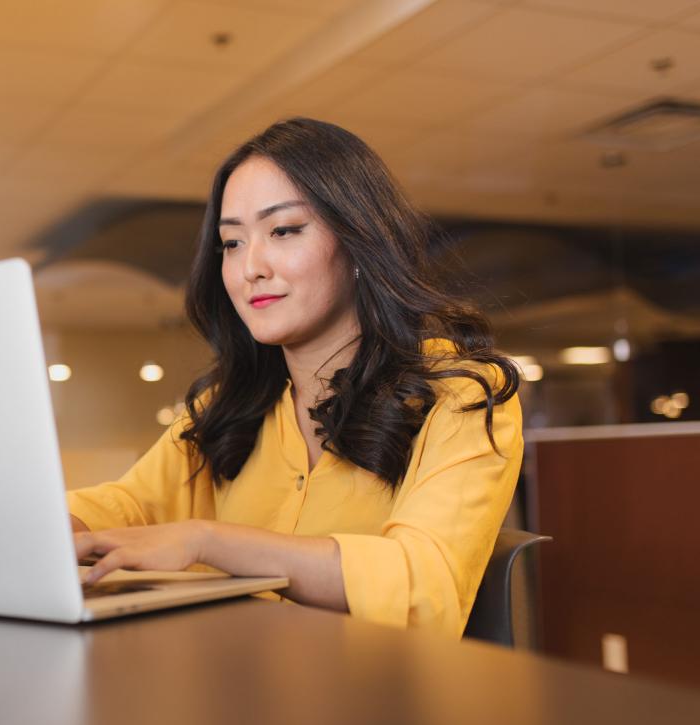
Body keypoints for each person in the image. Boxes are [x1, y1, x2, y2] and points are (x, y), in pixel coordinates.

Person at [68, 118, 523, 637]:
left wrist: (208, 541)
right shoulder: (228, 409)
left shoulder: (459, 394)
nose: (249, 268)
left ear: (358, 240)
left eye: (282, 231)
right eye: (231, 243)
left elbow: (424, 588)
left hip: (383, 705)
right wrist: (47, 527)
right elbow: (124, 507)